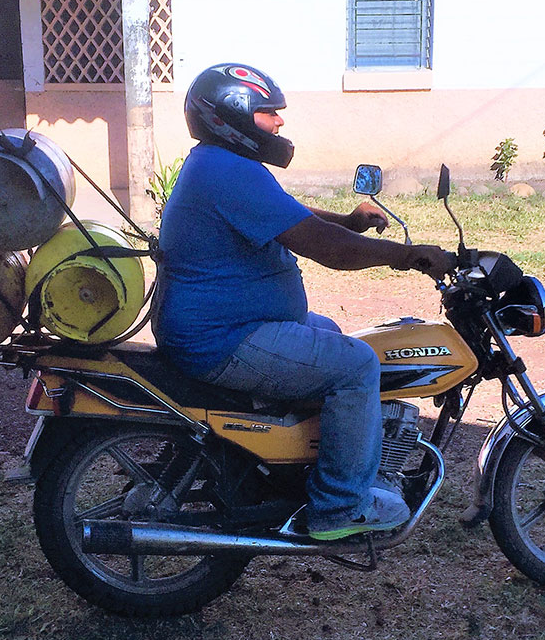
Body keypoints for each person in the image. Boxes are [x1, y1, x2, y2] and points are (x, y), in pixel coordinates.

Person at [156, 63, 455, 541]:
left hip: (230, 323)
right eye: (267, 113)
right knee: (356, 365)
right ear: (229, 117)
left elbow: (286, 213)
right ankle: (338, 507)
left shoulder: (221, 164)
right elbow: (329, 250)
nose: (279, 123)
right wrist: (409, 256)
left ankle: (294, 470)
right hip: (222, 338)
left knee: (332, 334)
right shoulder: (226, 169)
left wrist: (347, 219)